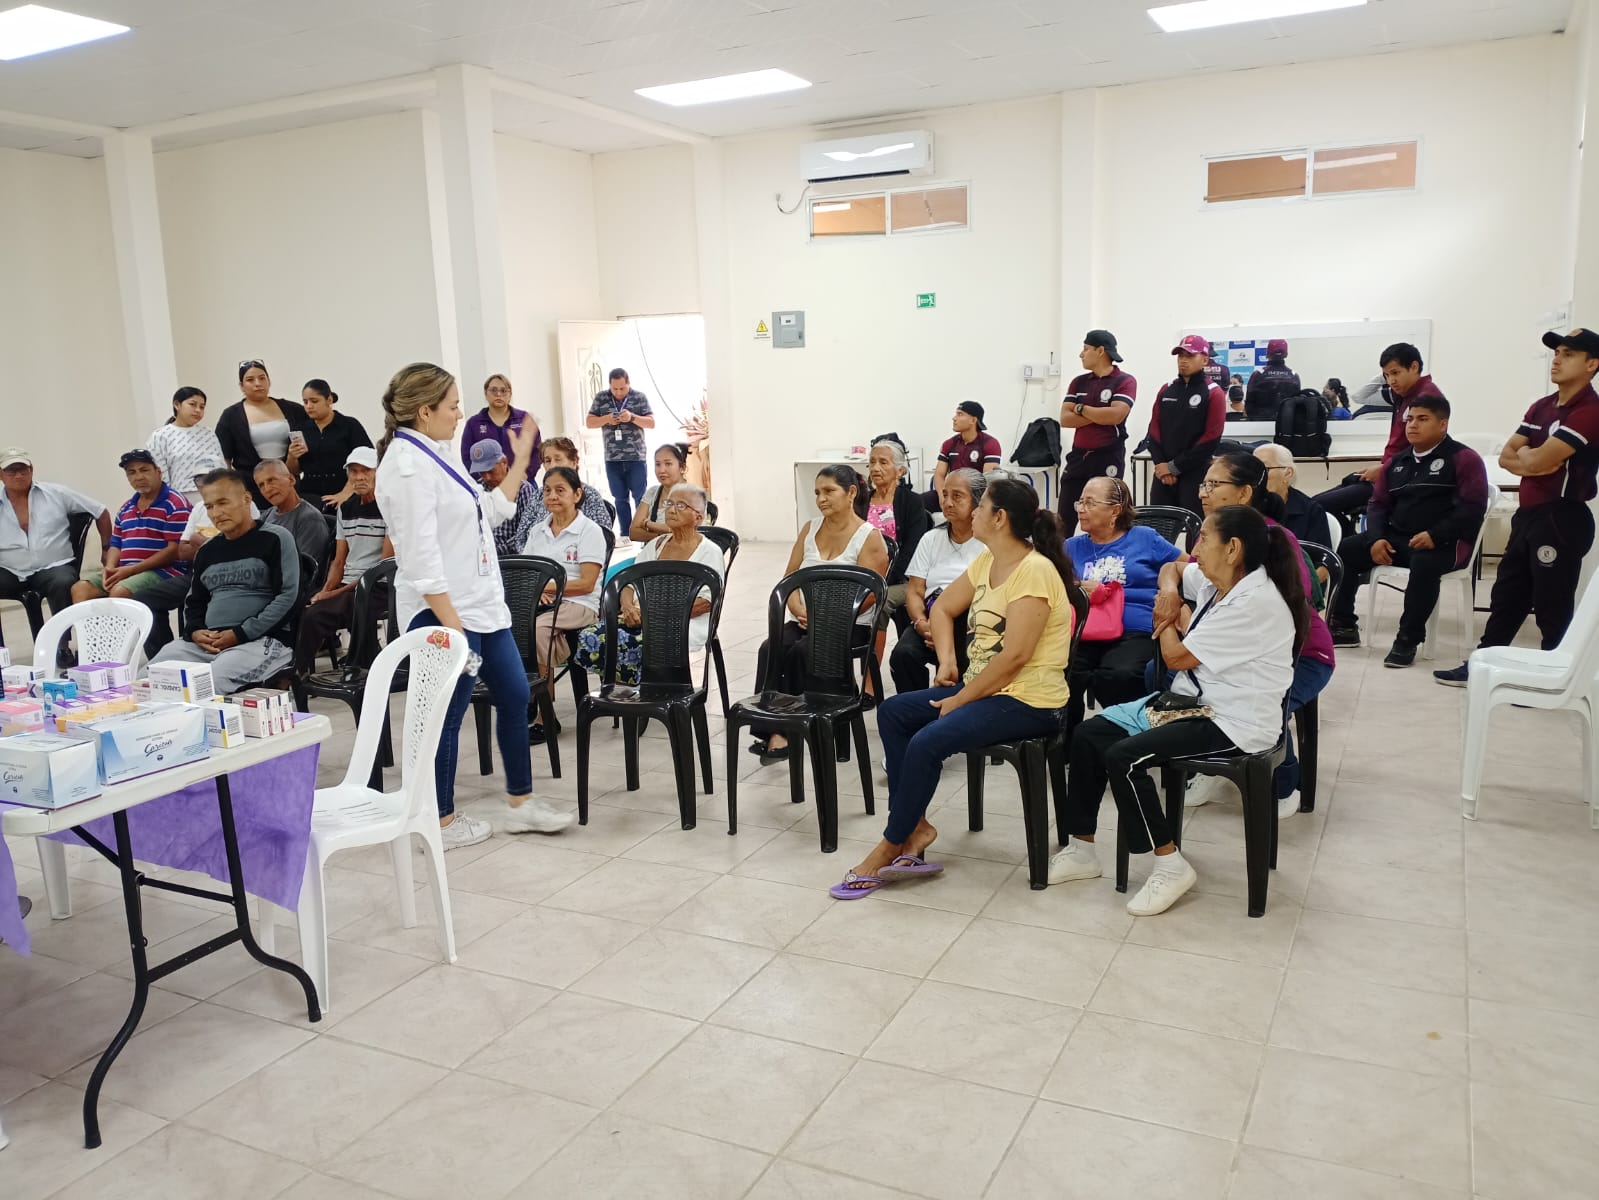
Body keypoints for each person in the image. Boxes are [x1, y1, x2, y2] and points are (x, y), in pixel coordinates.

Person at [829, 477, 1077, 898]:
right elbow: (942, 607)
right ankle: (915, 828)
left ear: (999, 518)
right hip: (986, 689)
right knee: (893, 712)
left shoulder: (1034, 571)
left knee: (928, 740)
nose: (973, 513)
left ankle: (890, 844)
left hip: (1029, 700)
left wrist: (960, 698)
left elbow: (1015, 657)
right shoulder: (989, 561)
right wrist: (947, 660)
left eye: (981, 507)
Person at [1052, 505, 1305, 915]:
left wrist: (1166, 618)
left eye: (1204, 539)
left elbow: (1175, 657)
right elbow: (1171, 567)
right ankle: (1082, 848)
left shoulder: (1254, 602)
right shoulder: (1218, 579)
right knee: (1089, 735)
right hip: (1190, 705)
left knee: (1125, 758)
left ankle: (1170, 864)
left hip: (1234, 720)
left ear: (1233, 548)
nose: (1194, 548)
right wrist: (1170, 594)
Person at [375, 361, 571, 847]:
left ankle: (522, 804)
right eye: (454, 405)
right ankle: (439, 821)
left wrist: (522, 456)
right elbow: (419, 559)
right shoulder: (406, 467)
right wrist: (454, 629)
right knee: (447, 714)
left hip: (481, 606)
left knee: (515, 694)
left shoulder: (437, 454)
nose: (461, 414)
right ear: (424, 411)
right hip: (444, 612)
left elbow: (488, 509)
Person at [1436, 327, 1599, 686]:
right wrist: (1533, 460)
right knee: (1507, 594)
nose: (1557, 359)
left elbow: (1534, 458)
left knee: (1551, 600)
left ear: (1592, 364)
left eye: (1569, 354)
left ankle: (1553, 675)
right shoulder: (1541, 406)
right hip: (1529, 515)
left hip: (1562, 516)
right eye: (1556, 352)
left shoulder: (1589, 411)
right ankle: (1483, 664)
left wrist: (1531, 458)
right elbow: (1509, 456)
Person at [1181, 452, 1335, 814]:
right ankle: (1209, 760)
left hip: (1300, 655)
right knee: (1169, 678)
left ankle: (1284, 783)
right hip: (1236, 649)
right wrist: (1175, 598)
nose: (1203, 492)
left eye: (1214, 484)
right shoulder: (1212, 533)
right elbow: (1185, 576)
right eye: (1203, 484)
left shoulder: (1273, 540)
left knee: (1255, 699)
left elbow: (1287, 611)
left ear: (1244, 492)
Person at [1325, 396, 1488, 665]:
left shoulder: (1464, 459)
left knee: (1424, 564)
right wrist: (1376, 539)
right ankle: (1343, 626)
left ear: (1443, 424)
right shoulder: (1397, 462)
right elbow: (1378, 505)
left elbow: (1472, 509)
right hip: (1399, 538)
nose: (1412, 425)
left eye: (1422, 419)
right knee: (1346, 550)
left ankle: (1407, 640)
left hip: (1447, 543)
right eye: (1410, 419)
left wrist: (1436, 535)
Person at [751, 465, 890, 762]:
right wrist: (797, 608)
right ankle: (774, 727)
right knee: (771, 647)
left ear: (851, 493)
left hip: (849, 625)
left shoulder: (869, 536)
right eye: (817, 493)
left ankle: (795, 727)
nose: (821, 499)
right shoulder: (810, 529)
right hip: (806, 619)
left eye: (829, 491)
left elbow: (870, 595)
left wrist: (827, 618)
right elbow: (790, 578)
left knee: (804, 652)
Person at [151, 469, 299, 693]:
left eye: (223, 503)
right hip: (207, 645)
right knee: (150, 677)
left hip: (261, 641)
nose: (216, 513)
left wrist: (239, 633)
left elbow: (288, 596)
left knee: (207, 683)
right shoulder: (207, 551)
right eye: (209, 506)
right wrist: (195, 632)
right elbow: (194, 602)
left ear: (246, 499)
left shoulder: (276, 538)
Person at [573, 483, 723, 685]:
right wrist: (627, 607)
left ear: (698, 517)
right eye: (669, 503)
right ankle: (624, 691)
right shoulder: (656, 545)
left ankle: (651, 690)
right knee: (592, 636)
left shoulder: (709, 551)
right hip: (640, 617)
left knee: (631, 643)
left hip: (683, 623)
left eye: (681, 506)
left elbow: (705, 603)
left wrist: (652, 614)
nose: (671, 510)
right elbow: (629, 583)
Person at [1063, 475, 1182, 731]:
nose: (1081, 509)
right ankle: (1067, 743)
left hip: (1135, 628)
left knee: (1120, 675)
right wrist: (1076, 587)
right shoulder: (1070, 547)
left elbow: (1189, 566)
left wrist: (1169, 588)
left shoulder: (1145, 538)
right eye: (1080, 502)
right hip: (1086, 630)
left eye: (1090, 503)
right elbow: (1049, 585)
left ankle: (1122, 734)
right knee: (1062, 672)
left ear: (1115, 510)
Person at [1314, 343, 1445, 534]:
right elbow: (1360, 396)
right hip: (1389, 473)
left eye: (1395, 373)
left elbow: (1423, 451)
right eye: (1387, 376)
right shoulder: (1402, 394)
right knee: (1320, 502)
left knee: (1317, 506)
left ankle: (1347, 543)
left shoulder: (1427, 397)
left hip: (1397, 481)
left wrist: (1385, 470)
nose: (1391, 381)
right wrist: (1386, 373)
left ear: (1414, 367)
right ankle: (1349, 541)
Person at [70, 451, 192, 655]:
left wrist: (130, 571)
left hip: (165, 571)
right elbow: (116, 544)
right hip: (126, 571)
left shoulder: (175, 503)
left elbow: (175, 550)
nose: (138, 477)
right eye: (132, 472)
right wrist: (110, 567)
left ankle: (115, 652)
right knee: (81, 589)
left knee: (120, 591)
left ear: (158, 471)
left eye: (144, 470)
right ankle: (96, 652)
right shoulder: (127, 507)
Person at [0, 448, 110, 660]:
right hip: (10, 569)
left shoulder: (56, 493)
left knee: (62, 581)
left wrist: (106, 548)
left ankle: (62, 646)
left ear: (32, 470)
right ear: (1, 474)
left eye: (23, 469)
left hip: (53, 565)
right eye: (11, 471)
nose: (18, 475)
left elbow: (100, 511)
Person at [293, 448, 390, 673]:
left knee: (322, 612)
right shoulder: (345, 508)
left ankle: (296, 674)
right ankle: (298, 671)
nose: (359, 477)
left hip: (379, 585)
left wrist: (333, 594)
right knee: (303, 607)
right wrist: (325, 591)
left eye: (366, 470)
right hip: (349, 584)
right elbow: (338, 561)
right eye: (353, 471)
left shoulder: (389, 507)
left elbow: (383, 566)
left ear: (378, 472)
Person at [890, 468, 987, 693]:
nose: (947, 502)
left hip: (971, 622)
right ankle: (916, 705)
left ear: (978, 501)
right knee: (903, 655)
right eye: (944, 495)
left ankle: (956, 706)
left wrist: (947, 633)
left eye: (957, 496)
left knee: (967, 657)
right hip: (931, 615)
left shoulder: (988, 543)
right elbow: (915, 591)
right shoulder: (931, 539)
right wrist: (922, 624)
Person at [1058, 330, 1137, 535]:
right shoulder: (1078, 382)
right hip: (1079, 456)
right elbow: (1065, 419)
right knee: (1064, 518)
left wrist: (1081, 408)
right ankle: (1060, 555)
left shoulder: (1125, 381)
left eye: (1085, 349)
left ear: (1100, 351)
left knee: (1105, 518)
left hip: (1108, 456)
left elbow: (1115, 415)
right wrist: (1100, 414)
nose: (1081, 354)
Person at [1146, 335, 1227, 516]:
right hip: (1163, 473)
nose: (1183, 360)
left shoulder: (1214, 393)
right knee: (1159, 526)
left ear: (1204, 359)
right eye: (1180, 356)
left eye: (1190, 356)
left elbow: (1211, 438)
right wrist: (1161, 465)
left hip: (1195, 473)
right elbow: (1154, 430)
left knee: (1194, 527)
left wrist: (1174, 467)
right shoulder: (1166, 389)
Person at [216, 360, 314, 509]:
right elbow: (224, 458)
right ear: (241, 386)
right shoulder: (231, 415)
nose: (257, 383)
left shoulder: (292, 409)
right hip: (251, 486)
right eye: (250, 380)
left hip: (289, 482)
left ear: (269, 381)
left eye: (262, 378)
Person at [864, 436, 932, 621]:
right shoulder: (861, 501)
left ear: (900, 471)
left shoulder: (912, 502)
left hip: (901, 578)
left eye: (883, 462)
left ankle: (872, 643)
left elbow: (912, 549)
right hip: (864, 574)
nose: (875, 468)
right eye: (872, 462)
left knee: (878, 603)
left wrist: (883, 580)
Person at [585, 367, 654, 538]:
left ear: (628, 384)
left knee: (640, 498)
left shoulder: (639, 397)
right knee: (620, 498)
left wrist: (632, 417)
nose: (618, 392)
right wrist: (606, 419)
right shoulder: (601, 398)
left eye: (622, 388)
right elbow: (590, 422)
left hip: (636, 458)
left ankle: (642, 533)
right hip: (612, 459)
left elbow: (651, 423)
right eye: (614, 388)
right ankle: (625, 535)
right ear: (609, 385)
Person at [289, 379, 373, 512]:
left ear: (329, 400)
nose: (309, 406)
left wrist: (345, 493)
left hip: (344, 490)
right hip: (310, 494)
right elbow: (293, 471)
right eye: (305, 402)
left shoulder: (349, 425)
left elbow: (367, 462)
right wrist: (292, 456)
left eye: (314, 401)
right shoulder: (301, 429)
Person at [147, 386, 225, 506]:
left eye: (202, 407)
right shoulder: (160, 436)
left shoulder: (208, 434)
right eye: (192, 404)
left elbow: (221, 467)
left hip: (213, 495)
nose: (198, 410)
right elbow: (159, 475)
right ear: (177, 405)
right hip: (179, 499)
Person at [1253, 443, 1334, 548]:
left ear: (1288, 473)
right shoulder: (1246, 505)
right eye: (1253, 470)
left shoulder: (1311, 511)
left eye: (1265, 469)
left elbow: (1319, 555)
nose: (1256, 476)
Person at [525, 436, 615, 530]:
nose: (552, 465)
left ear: (574, 462)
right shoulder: (537, 496)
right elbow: (521, 534)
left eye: (558, 459)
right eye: (548, 461)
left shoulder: (590, 496)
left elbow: (602, 535)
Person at [469, 439, 539, 556]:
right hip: (482, 556)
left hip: (512, 559)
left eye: (490, 471)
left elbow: (526, 533)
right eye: (481, 473)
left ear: (504, 462)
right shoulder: (477, 489)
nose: (487, 477)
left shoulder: (523, 490)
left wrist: (495, 551)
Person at [461, 373, 539, 476]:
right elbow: (467, 457)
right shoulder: (474, 423)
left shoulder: (524, 418)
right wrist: (484, 478)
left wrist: (526, 474)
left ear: (510, 395)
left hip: (523, 479)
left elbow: (537, 450)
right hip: (487, 482)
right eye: (493, 390)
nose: (498, 394)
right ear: (485, 393)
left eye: (503, 391)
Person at [255, 459, 331, 565]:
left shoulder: (310, 519)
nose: (267, 489)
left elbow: (304, 568)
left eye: (271, 480)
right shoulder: (266, 516)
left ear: (291, 479)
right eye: (261, 485)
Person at [927, 401, 1001, 509]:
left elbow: (987, 479)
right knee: (919, 501)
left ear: (973, 420)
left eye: (960, 414)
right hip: (951, 493)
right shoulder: (949, 444)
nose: (954, 418)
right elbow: (939, 474)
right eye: (956, 414)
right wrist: (942, 496)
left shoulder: (990, 444)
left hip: (975, 497)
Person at [631, 443, 691, 543]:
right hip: (653, 551)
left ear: (682, 468)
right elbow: (633, 533)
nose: (661, 470)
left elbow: (683, 533)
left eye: (668, 464)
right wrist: (661, 538)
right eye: (658, 464)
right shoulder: (652, 492)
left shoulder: (694, 496)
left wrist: (647, 524)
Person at [1245, 338, 1301, 422]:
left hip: (1260, 424)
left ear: (1267, 354)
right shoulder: (1294, 375)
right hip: (1286, 425)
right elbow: (1297, 406)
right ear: (1286, 354)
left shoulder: (1258, 374)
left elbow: (1249, 406)